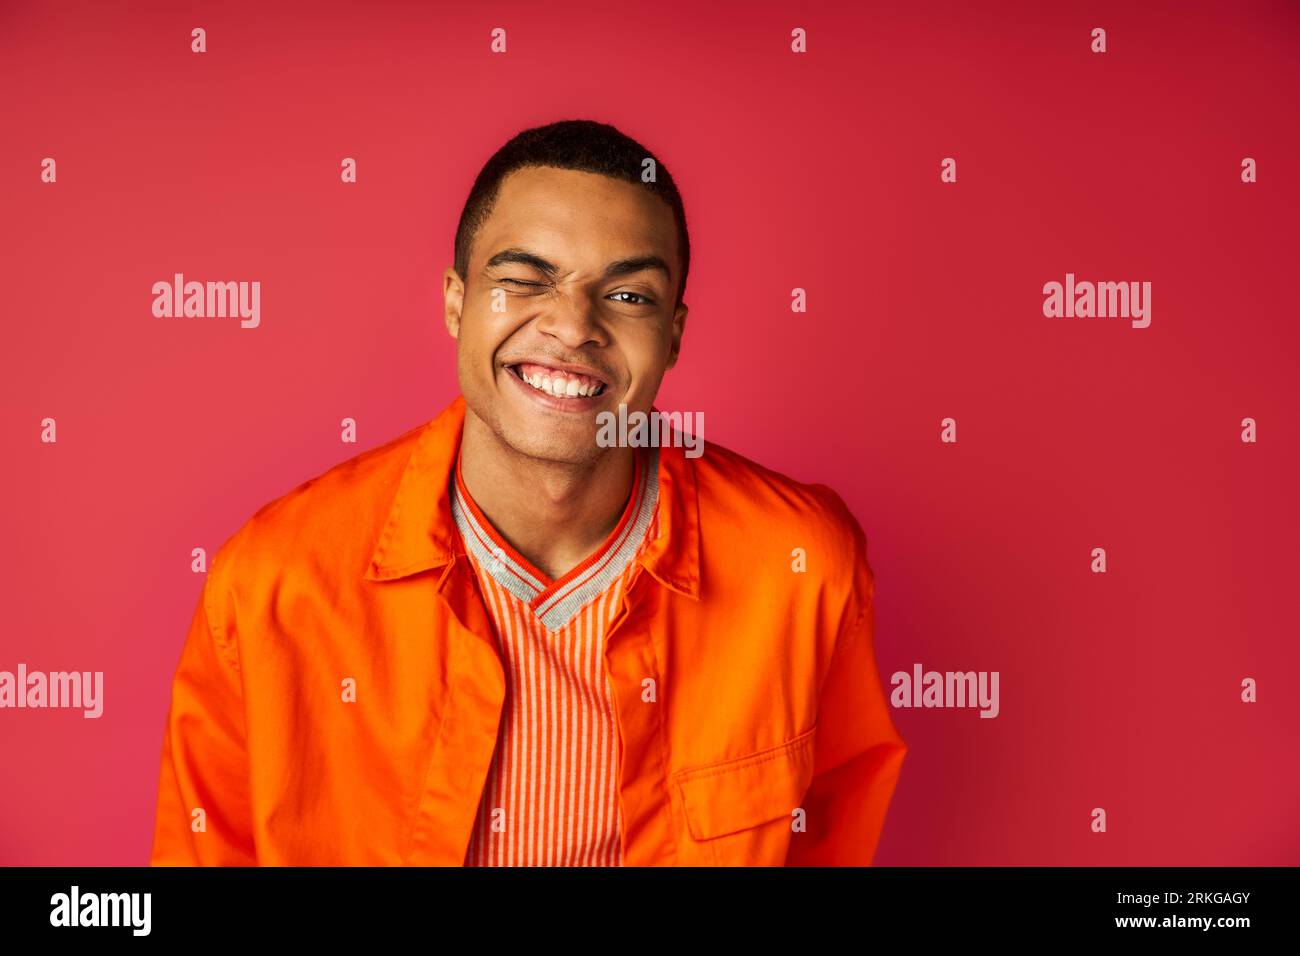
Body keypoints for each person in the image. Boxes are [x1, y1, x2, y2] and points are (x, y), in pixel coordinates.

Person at [149, 118, 907, 866]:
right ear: (456, 302)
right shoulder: (274, 580)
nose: (574, 327)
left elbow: (833, 833)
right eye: (523, 280)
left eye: (630, 296)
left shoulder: (803, 568)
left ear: (674, 334)